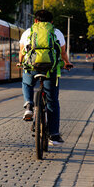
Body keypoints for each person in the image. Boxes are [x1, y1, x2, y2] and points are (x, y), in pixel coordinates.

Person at [18, 10, 73, 146]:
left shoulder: (28, 32)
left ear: (35, 21)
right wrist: (67, 63)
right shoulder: (57, 32)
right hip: (50, 70)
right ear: (51, 22)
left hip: (32, 68)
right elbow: (63, 52)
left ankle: (29, 105)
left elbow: (22, 52)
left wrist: (20, 62)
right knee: (52, 101)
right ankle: (54, 135)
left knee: (27, 82)